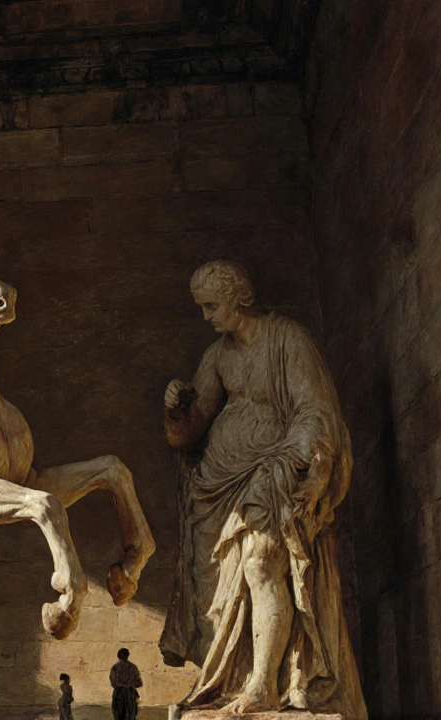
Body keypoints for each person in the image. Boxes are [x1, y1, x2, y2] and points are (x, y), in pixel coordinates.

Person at [158, 261, 366, 719]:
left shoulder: (288, 340)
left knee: (262, 558)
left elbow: (315, 409)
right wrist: (177, 410)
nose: (207, 316)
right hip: (219, 483)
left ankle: (263, 687)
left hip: (277, 469)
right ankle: (241, 680)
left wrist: (299, 462)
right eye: (202, 307)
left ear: (240, 298)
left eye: (213, 305)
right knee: (224, 594)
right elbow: (190, 431)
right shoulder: (217, 355)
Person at [109, 648, 141, 720]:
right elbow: (139, 683)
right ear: (128, 655)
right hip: (130, 694)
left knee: (118, 716)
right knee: (130, 716)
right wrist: (129, 683)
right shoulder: (133, 667)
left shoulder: (115, 668)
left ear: (118, 656)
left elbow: (113, 683)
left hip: (118, 694)